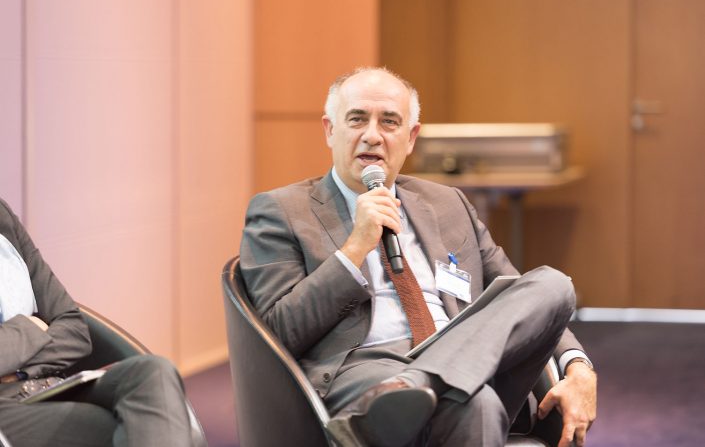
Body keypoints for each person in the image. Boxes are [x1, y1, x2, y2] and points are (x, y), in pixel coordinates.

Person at [240, 67, 597, 447]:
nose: (372, 135)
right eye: (357, 119)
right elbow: (277, 333)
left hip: (469, 360)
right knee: (475, 404)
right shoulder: (282, 211)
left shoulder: (447, 203)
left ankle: (418, 382)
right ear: (330, 130)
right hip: (366, 371)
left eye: (389, 122)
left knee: (553, 284)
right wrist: (355, 248)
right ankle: (410, 391)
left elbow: (519, 300)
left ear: (411, 138)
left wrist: (578, 367)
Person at [0, 198, 200, 447]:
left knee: (154, 372)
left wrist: (18, 368)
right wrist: (32, 327)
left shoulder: (2, 216)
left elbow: (73, 330)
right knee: (129, 428)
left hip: (48, 385)